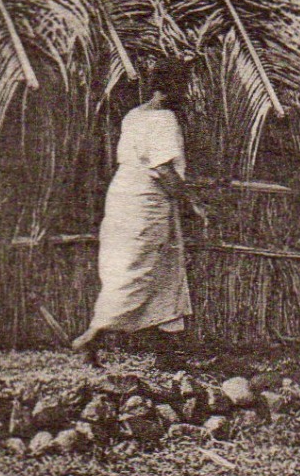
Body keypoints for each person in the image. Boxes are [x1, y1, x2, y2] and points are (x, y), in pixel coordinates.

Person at [73, 59, 206, 366]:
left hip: (125, 197)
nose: (185, 94)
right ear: (172, 89)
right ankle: (92, 335)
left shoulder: (135, 115)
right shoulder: (163, 119)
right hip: (145, 201)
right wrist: (192, 202)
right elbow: (162, 168)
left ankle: (167, 352)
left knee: (163, 270)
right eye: (183, 87)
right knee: (136, 271)